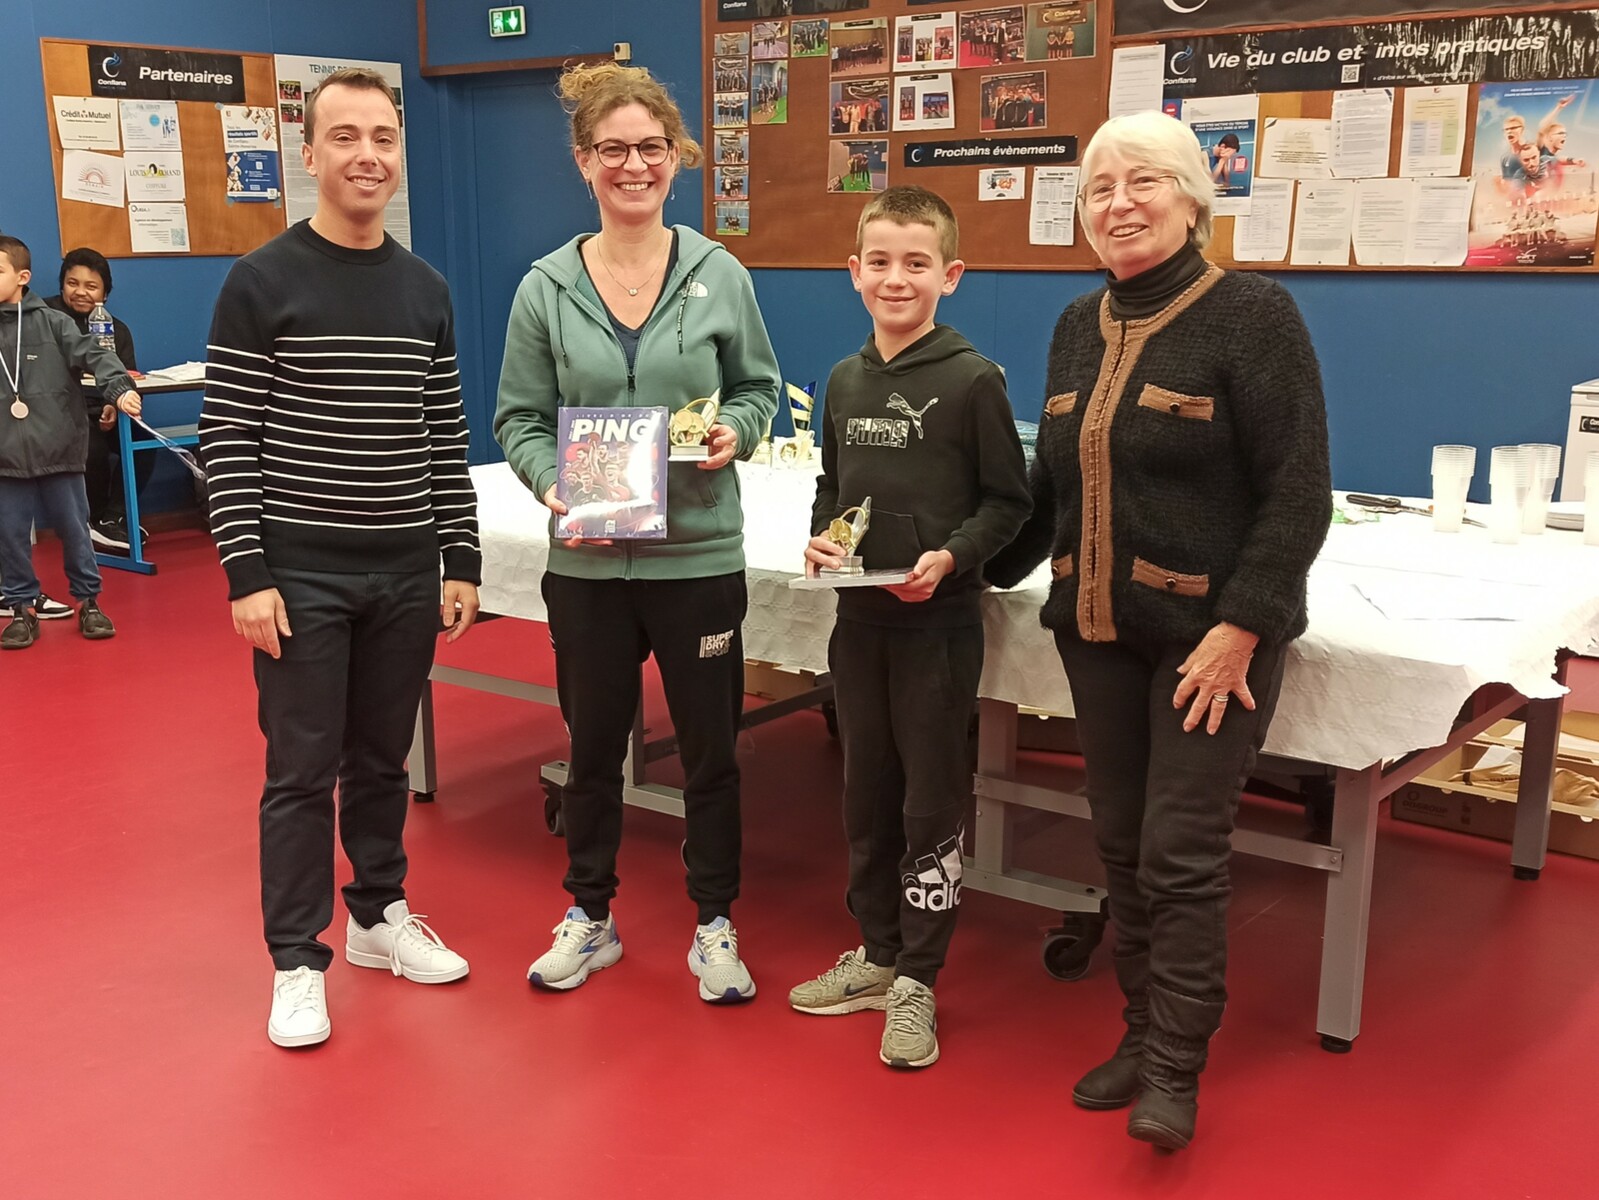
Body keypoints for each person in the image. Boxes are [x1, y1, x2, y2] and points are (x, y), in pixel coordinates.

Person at [986, 112, 1332, 1151]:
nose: (1119, 203)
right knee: (1123, 845)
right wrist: (965, 564)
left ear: (1193, 198)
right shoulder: (1074, 323)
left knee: (1180, 852)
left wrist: (1242, 627)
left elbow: (1298, 492)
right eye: (1099, 187)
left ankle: (1176, 1068)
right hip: (1097, 632)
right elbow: (1051, 487)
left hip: (1210, 643)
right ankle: (1141, 1033)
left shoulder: (1253, 314)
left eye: (1143, 181)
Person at [197, 68, 481, 1049]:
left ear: (400, 154)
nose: (368, 155)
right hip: (299, 575)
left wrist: (459, 554)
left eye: (383, 138)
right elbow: (228, 435)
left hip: (404, 569)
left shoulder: (426, 289)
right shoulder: (261, 281)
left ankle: (377, 916)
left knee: (381, 759)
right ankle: (295, 958)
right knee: (300, 769)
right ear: (309, 154)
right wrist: (246, 574)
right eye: (346, 137)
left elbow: (443, 432)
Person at [495, 62, 780, 1003]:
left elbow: (758, 387)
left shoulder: (718, 273)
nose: (633, 166)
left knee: (710, 753)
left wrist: (738, 430)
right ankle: (590, 916)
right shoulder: (545, 287)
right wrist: (550, 483)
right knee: (589, 752)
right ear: (584, 161)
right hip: (587, 565)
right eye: (612, 149)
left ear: (675, 158)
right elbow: (519, 417)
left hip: (697, 557)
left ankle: (714, 924)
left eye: (651, 148)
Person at [787, 187, 1030, 1069]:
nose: (897, 278)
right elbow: (833, 486)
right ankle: (878, 953)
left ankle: (919, 978)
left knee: (929, 801)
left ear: (949, 276)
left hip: (938, 631)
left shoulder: (972, 381)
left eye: (916, 263)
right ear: (853, 272)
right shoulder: (845, 380)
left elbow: (1008, 502)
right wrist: (823, 537)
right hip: (858, 625)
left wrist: (952, 557)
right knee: (865, 795)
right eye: (880, 262)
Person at [0, 235, 136, 649]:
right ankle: (22, 609)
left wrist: (119, 389)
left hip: (59, 449)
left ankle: (89, 603)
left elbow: (98, 356)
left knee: (76, 533)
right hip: (5, 457)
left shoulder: (54, 323)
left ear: (22, 277)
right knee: (9, 537)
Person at [43, 247, 150, 553]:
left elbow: (127, 375)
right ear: (62, 285)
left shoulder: (116, 329)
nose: (80, 292)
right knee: (93, 447)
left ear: (105, 293)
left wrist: (112, 403)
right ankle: (91, 521)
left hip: (103, 410)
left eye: (91, 286)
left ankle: (114, 518)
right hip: (60, 412)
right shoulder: (43, 317)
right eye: (72, 283)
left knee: (144, 442)